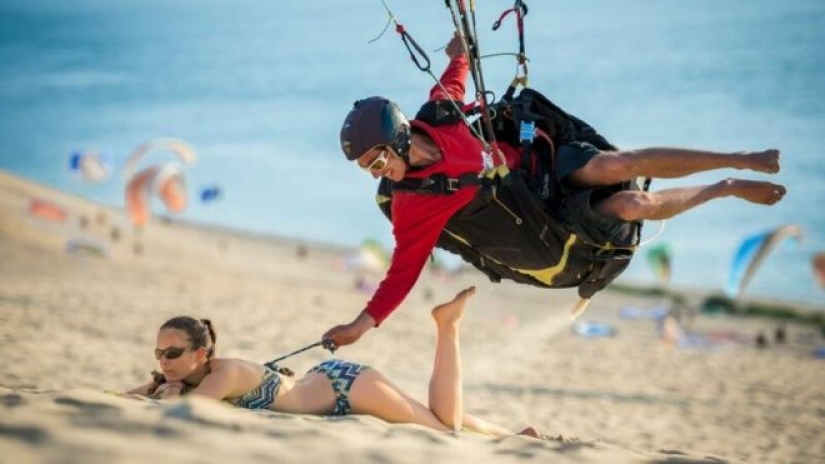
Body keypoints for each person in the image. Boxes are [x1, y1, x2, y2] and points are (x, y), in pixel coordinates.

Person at [324, 32, 786, 349]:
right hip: (540, 219)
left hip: (542, 166)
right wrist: (360, 326)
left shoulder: (441, 110)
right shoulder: (413, 205)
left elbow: (459, 65)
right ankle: (725, 187)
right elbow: (400, 276)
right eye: (368, 167)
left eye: (377, 159)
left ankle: (739, 158)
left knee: (620, 164)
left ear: (401, 134)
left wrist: (456, 50)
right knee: (633, 203)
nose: (376, 172)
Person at [127, 287, 540, 438]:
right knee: (428, 412)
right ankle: (517, 438)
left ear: (201, 353)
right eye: (160, 354)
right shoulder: (187, 377)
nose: (165, 362)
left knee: (442, 427)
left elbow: (187, 409)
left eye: (173, 353)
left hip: (346, 388)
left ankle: (446, 326)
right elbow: (128, 398)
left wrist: (168, 392)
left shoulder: (224, 372)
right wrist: (155, 388)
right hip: (324, 382)